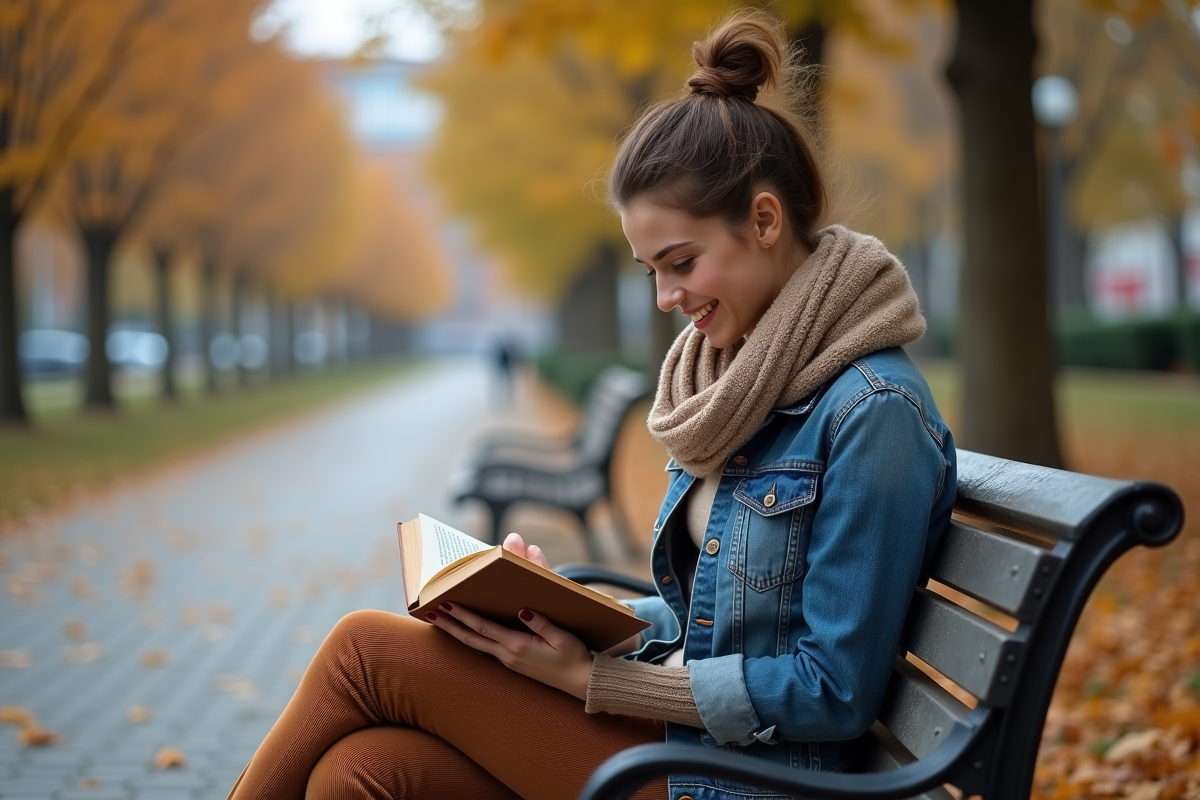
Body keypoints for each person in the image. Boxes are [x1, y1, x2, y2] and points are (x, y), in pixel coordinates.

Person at [226, 11, 956, 800]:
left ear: (766, 220)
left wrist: (594, 679)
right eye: (650, 271)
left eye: (681, 263)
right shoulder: (738, 386)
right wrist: (562, 620)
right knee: (359, 774)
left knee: (363, 651)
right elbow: (718, 623)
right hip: (688, 745)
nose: (669, 297)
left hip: (751, 780)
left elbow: (831, 691)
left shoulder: (871, 413)